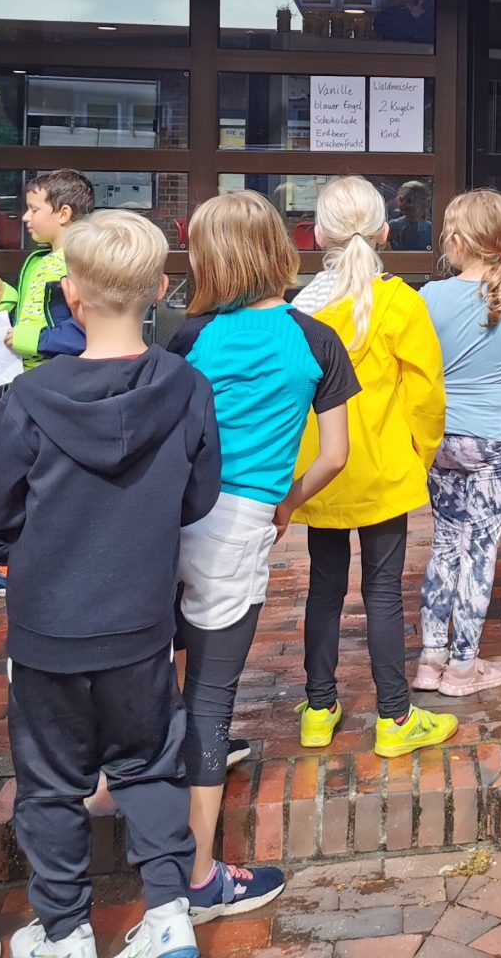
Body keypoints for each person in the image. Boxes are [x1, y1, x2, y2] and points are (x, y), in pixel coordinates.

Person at [0, 211, 217, 958]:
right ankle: (168, 914)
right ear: (160, 288)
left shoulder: (31, 396)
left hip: (49, 624)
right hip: (140, 617)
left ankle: (65, 929)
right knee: (150, 763)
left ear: (71, 293)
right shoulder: (186, 385)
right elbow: (199, 496)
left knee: (50, 781)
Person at [166, 190, 355, 924]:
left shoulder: (190, 336)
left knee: (171, 659)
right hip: (243, 521)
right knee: (212, 697)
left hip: (172, 514)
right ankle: (199, 880)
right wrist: (287, 503)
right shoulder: (316, 340)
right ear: (280, 248)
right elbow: (334, 455)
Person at [289, 178, 457, 757]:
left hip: (322, 470)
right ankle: (394, 718)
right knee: (384, 592)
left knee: (324, 587)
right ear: (386, 231)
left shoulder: (301, 309)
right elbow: (427, 397)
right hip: (384, 468)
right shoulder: (402, 302)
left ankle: (318, 709)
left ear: (318, 235)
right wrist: (419, 455)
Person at [414, 191, 501, 697]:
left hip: (441, 438)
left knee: (445, 543)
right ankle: (463, 667)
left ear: (455, 240)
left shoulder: (428, 297)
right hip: (494, 441)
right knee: (479, 550)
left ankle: (430, 659)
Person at [0, 167, 96, 605]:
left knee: (18, 477)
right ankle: (9, 563)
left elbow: (81, 332)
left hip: (53, 394)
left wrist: (27, 339)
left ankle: (11, 564)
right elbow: (31, 310)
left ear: (64, 213)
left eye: (33, 209)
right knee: (11, 475)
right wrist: (1, 294)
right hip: (23, 388)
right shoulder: (39, 260)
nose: (24, 217)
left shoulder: (81, 262)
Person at [386, 180, 433, 252]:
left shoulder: (431, 228)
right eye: (402, 200)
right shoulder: (393, 226)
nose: (405, 204)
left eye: (424, 198)